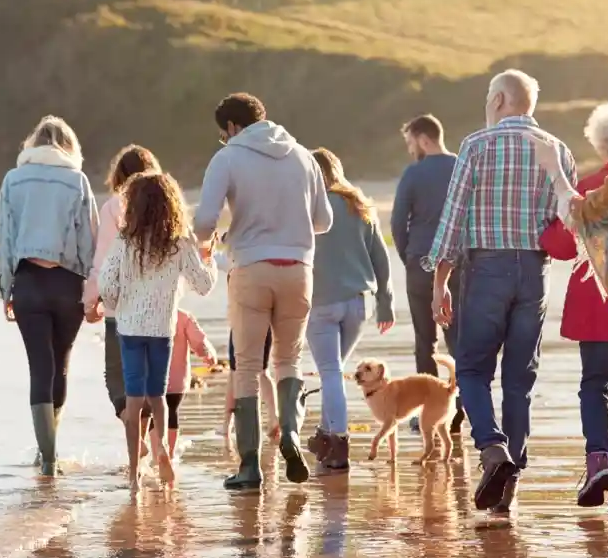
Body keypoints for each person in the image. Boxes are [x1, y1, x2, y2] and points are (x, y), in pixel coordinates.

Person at [425, 70, 576, 513]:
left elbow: (452, 221)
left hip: (488, 268)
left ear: (497, 100)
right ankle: (507, 491)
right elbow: (567, 220)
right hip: (535, 271)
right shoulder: (557, 149)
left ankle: (492, 449)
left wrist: (440, 284)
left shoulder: (477, 145)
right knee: (519, 380)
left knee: (472, 369)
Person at [194, 92, 333, 490]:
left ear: (233, 128)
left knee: (249, 369)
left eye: (224, 135)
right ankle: (289, 432)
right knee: (288, 361)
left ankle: (250, 465)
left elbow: (204, 222)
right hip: (299, 270)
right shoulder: (304, 156)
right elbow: (323, 220)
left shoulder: (228, 158)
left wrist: (215, 234)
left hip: (251, 268)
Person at [98, 171, 217, 491]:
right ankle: (162, 448)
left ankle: (134, 471)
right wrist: (210, 258)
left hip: (130, 329)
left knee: (134, 399)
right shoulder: (179, 243)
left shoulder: (126, 242)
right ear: (171, 206)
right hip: (162, 330)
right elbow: (204, 285)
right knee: (158, 396)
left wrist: (116, 301)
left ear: (133, 205)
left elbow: (106, 284)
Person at [0, 115, 99, 477]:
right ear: (69, 146)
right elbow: (89, 239)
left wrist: (5, 287)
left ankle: (48, 458)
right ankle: (51, 449)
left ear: (32, 145)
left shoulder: (13, 180)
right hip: (67, 283)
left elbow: (5, 240)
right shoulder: (77, 180)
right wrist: (93, 289)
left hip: (27, 282)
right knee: (61, 364)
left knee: (39, 368)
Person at [537, 102, 608, 511]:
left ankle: (598, 461)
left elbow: (558, 245)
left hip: (597, 303)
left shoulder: (588, 186)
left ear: (602, 145)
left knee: (595, 385)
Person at [306, 148, 395, 471]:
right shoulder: (358, 205)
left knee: (330, 372)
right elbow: (381, 259)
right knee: (334, 371)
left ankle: (338, 441)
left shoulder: (308, 207)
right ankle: (326, 434)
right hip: (359, 303)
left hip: (321, 304)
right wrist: (386, 303)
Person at [84, 145, 161, 454]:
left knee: (117, 375)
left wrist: (91, 301)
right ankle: (153, 446)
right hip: (158, 305)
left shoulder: (114, 206)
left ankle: (133, 428)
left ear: (119, 175)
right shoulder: (165, 205)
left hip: (120, 306)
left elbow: (102, 260)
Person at [390, 114, 464, 434]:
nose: (410, 150)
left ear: (423, 139)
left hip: (422, 263)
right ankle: (463, 407)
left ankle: (428, 413)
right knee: (459, 338)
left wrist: (409, 256)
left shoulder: (414, 173)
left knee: (425, 341)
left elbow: (396, 223)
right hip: (462, 263)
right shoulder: (462, 166)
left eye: (410, 143)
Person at [214, 242, 280, 441]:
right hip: (266, 322)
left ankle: (227, 424)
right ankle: (274, 417)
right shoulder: (266, 257)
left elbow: (207, 256)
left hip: (241, 323)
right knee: (262, 371)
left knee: (235, 373)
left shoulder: (232, 260)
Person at [148, 308, 218, 462]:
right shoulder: (182, 317)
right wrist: (208, 354)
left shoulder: (148, 313)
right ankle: (170, 455)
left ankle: (157, 456)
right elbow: (199, 342)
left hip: (152, 378)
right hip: (177, 380)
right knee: (172, 412)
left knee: (154, 415)